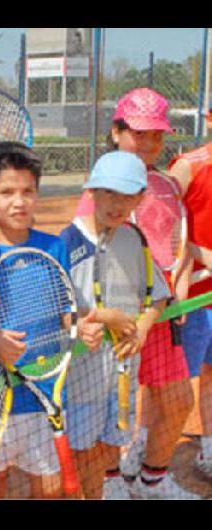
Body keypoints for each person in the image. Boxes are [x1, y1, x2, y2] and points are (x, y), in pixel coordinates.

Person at [0, 141, 102, 499]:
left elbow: (64, 310)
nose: (19, 201)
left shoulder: (54, 247)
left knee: (50, 489)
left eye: (27, 191)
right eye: (7, 192)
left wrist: (78, 327)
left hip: (45, 394)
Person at [74, 88, 196, 499]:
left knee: (177, 400)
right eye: (138, 133)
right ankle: (111, 484)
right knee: (109, 410)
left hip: (157, 313)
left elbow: (176, 241)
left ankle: (152, 482)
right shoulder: (97, 191)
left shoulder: (163, 186)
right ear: (116, 131)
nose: (147, 143)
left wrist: (176, 286)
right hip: (112, 322)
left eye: (155, 135)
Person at [59, 151, 171, 499]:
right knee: (80, 454)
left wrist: (144, 324)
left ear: (140, 198)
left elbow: (159, 296)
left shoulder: (134, 239)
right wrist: (104, 316)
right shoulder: (65, 243)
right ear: (90, 192)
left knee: (108, 450)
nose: (116, 203)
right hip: (80, 381)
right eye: (108, 193)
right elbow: (58, 313)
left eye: (127, 195)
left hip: (121, 377)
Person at [167, 105, 212, 484]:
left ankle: (209, 453)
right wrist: (198, 254)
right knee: (178, 384)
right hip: (192, 297)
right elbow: (160, 222)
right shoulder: (189, 166)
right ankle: (152, 462)